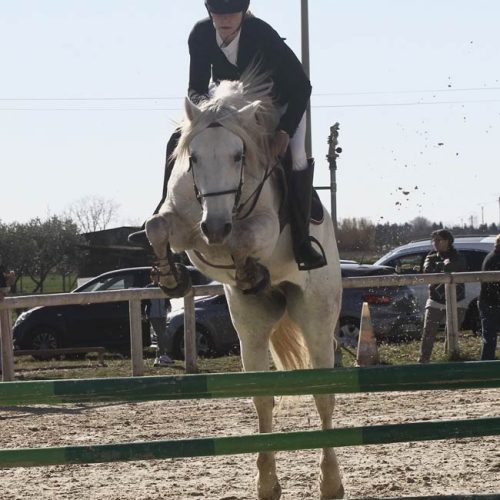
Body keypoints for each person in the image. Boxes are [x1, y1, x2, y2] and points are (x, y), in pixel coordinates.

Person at [131, 0, 326, 270]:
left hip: (279, 104)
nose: (225, 20)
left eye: (232, 14)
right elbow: (195, 88)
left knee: (297, 156)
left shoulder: (261, 33)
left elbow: (302, 86)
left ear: (243, 12)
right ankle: (161, 208)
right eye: (218, 14)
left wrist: (284, 130)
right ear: (209, 13)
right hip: (225, 105)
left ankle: (302, 242)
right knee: (177, 138)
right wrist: (210, 111)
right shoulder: (199, 35)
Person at [418, 229, 467, 363]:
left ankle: (450, 358)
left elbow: (458, 267)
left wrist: (446, 267)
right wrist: (443, 267)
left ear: (448, 241)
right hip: (435, 300)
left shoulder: (458, 256)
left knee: (452, 333)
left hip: (457, 299)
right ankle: (423, 360)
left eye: (439, 240)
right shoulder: (431, 256)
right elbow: (428, 271)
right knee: (428, 332)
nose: (435, 243)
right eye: (434, 240)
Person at [144, 272, 175, 367]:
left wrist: (169, 306)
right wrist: (144, 313)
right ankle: (162, 355)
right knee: (159, 334)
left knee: (162, 334)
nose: (156, 277)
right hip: (153, 315)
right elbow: (145, 301)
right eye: (153, 275)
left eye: (157, 275)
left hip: (162, 314)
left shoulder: (163, 286)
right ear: (151, 277)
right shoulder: (148, 288)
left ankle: (159, 357)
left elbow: (167, 299)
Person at [477, 234, 500, 360]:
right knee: (490, 337)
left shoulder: (492, 256)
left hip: (489, 301)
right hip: (492, 302)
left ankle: (486, 363)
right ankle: (487, 364)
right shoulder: (495, 258)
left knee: (489, 337)